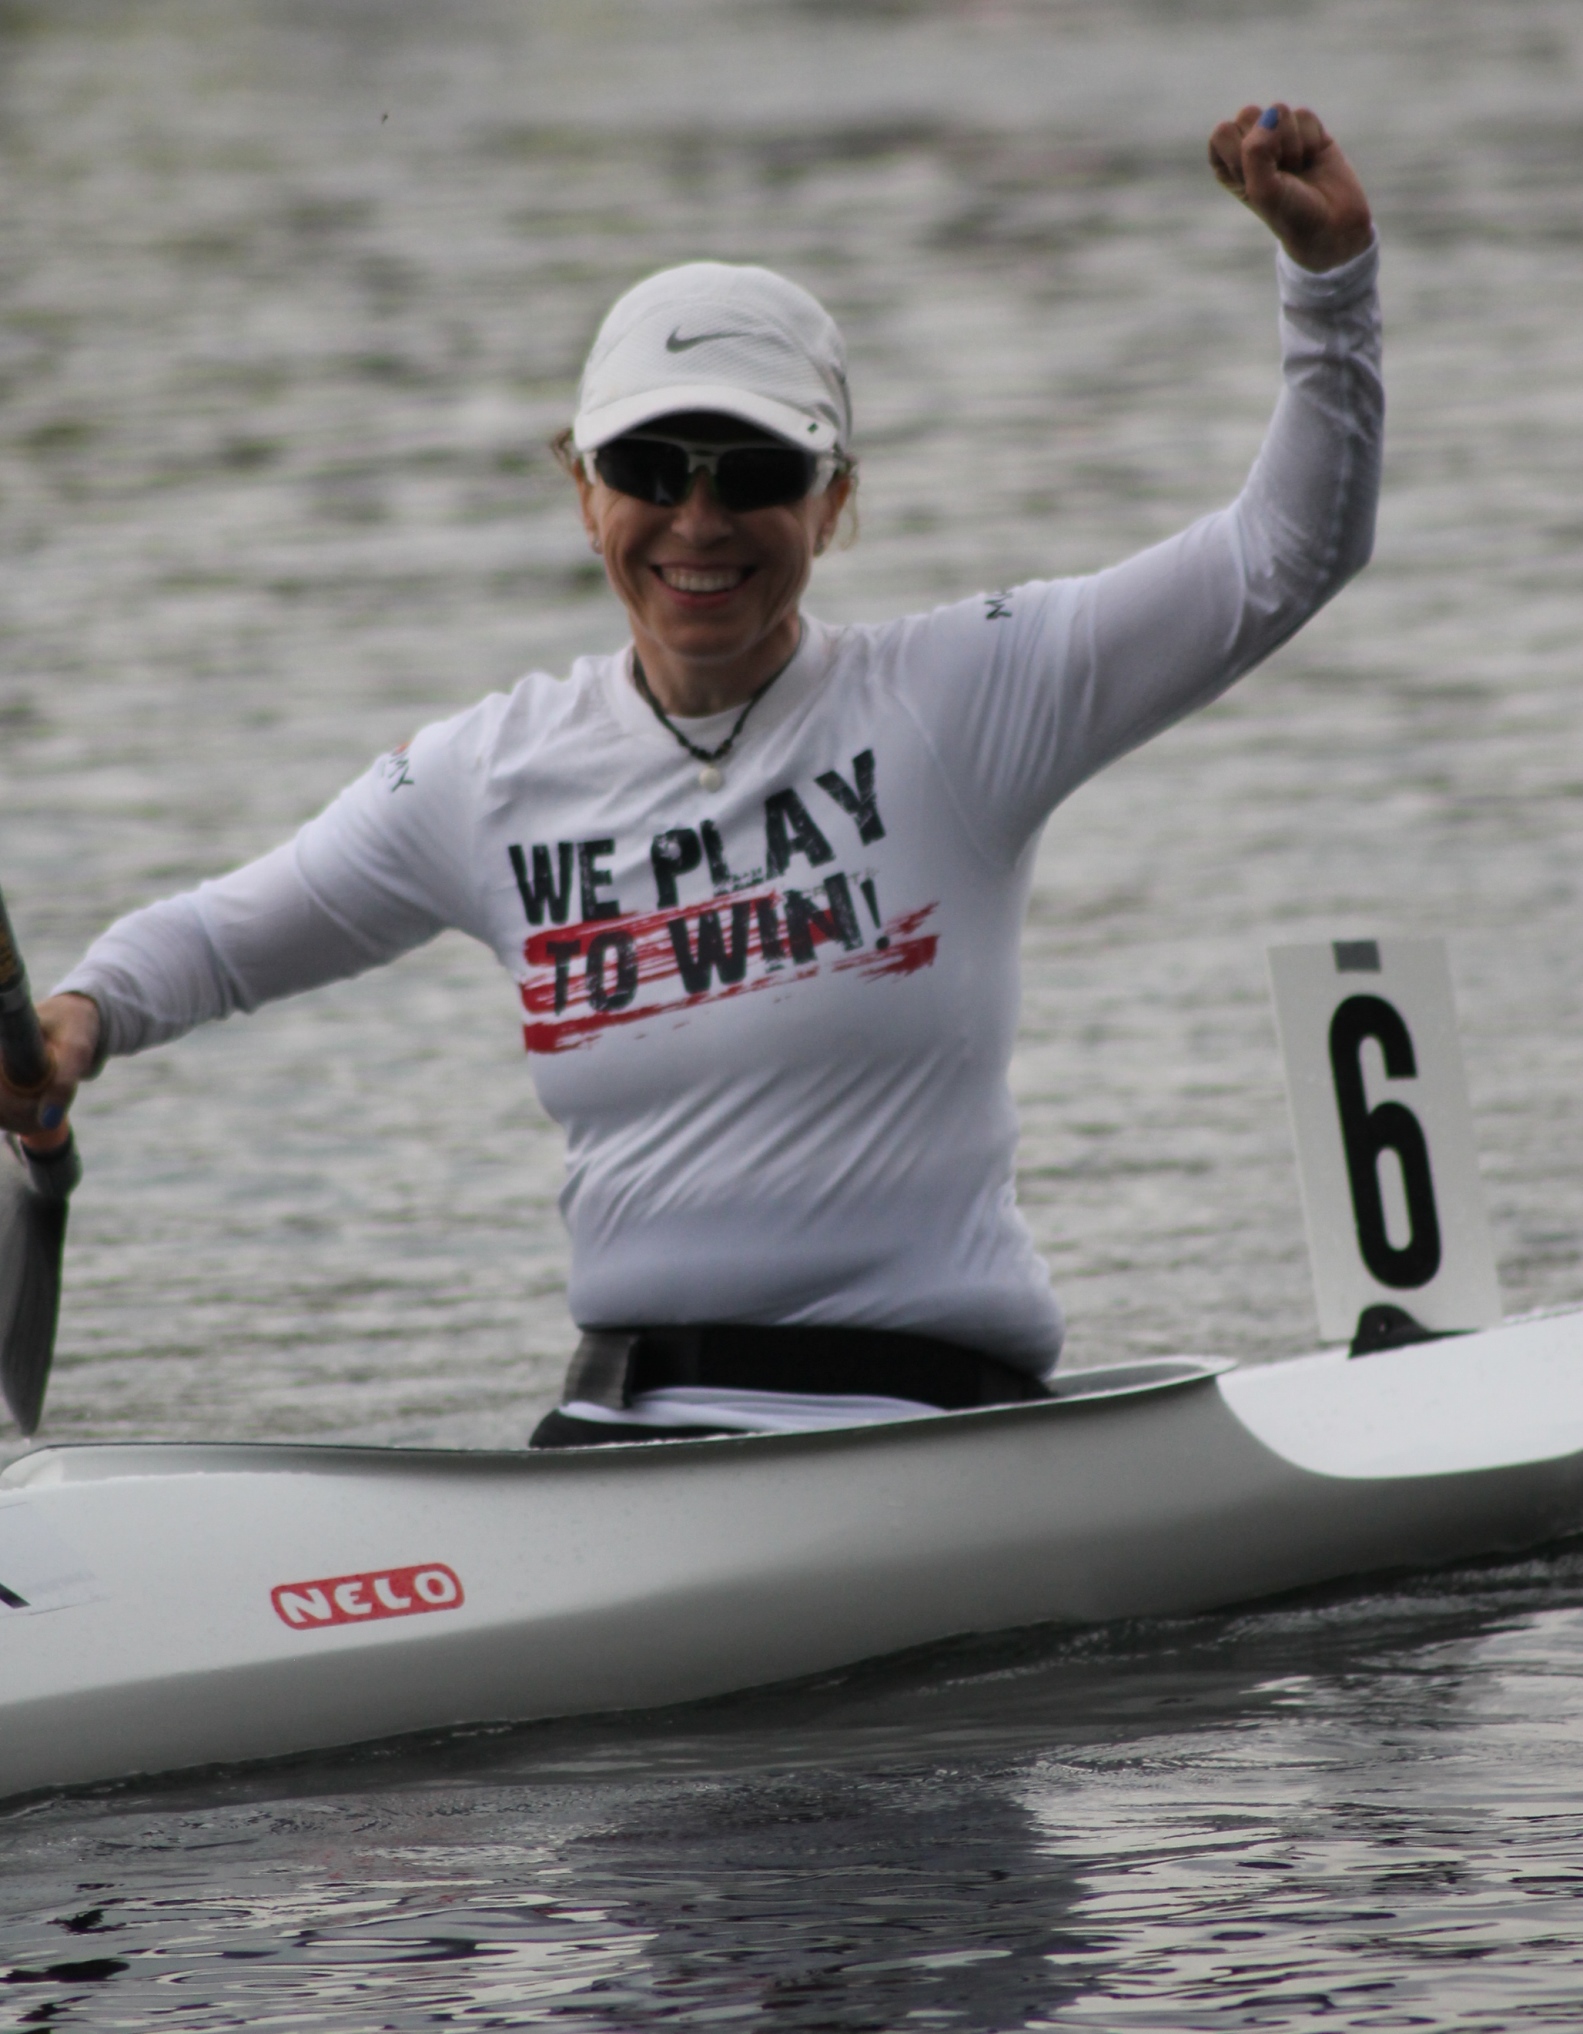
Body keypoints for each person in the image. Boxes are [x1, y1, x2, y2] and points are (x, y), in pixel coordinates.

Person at [1, 104, 1380, 1445]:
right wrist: (79, 1019)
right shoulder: (491, 775)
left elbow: (1285, 554)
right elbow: (217, 939)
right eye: (651, 467)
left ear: (833, 503)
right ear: (585, 492)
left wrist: (1328, 285)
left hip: (924, 1433)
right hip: (620, 1443)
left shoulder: (965, 700)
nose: (699, 520)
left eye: (755, 469)